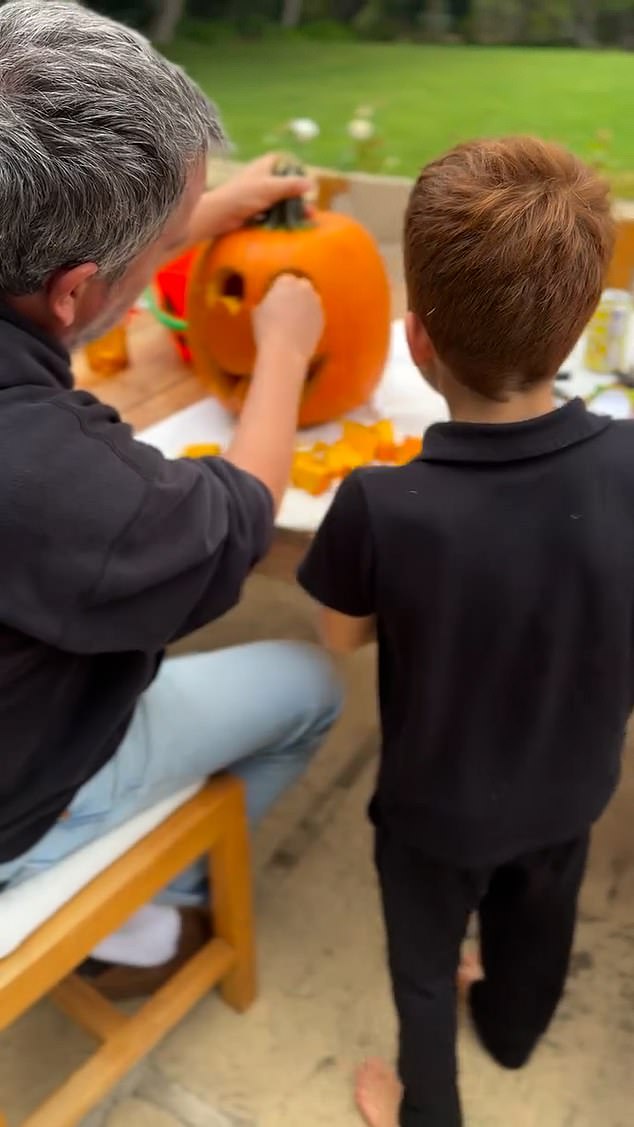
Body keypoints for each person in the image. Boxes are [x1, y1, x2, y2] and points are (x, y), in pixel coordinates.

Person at [0, 0, 341, 998]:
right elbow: (233, 518)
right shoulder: (63, 483)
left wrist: (206, 207)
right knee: (311, 683)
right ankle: (143, 919)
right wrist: (280, 352)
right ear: (74, 294)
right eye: (156, 259)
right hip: (17, 800)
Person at [298, 135, 626, 1126]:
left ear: (414, 336)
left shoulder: (381, 502)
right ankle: (514, 1029)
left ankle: (422, 1106)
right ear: (575, 330)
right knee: (540, 916)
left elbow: (340, 639)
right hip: (570, 785)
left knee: (424, 967)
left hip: (435, 809)